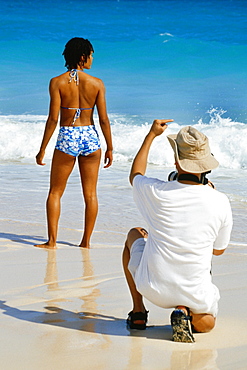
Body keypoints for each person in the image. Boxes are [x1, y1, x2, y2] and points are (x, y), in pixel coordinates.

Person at [122, 119, 232, 342]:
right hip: (195, 291)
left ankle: (138, 312)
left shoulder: (157, 191)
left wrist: (151, 135)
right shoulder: (220, 201)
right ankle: (186, 312)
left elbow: (135, 175)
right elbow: (218, 251)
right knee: (207, 323)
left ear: (176, 161)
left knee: (134, 234)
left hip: (153, 287)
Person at [35, 37, 113, 249]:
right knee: (90, 194)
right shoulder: (97, 83)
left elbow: (53, 119)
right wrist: (110, 147)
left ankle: (52, 242)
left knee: (55, 192)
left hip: (68, 135)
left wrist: (42, 149)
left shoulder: (57, 82)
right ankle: (85, 242)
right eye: (91, 54)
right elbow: (104, 119)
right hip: (90, 137)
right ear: (82, 57)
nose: (92, 59)